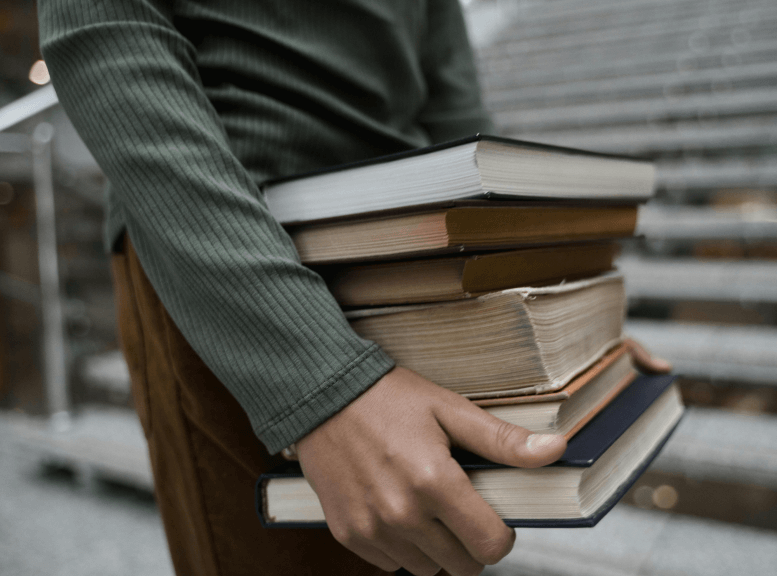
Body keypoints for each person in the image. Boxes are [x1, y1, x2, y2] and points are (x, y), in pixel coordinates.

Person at [38, 1, 671, 575]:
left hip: (413, 253)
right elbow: (105, 31)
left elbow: (451, 95)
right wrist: (319, 382)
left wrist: (568, 327)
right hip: (235, 254)